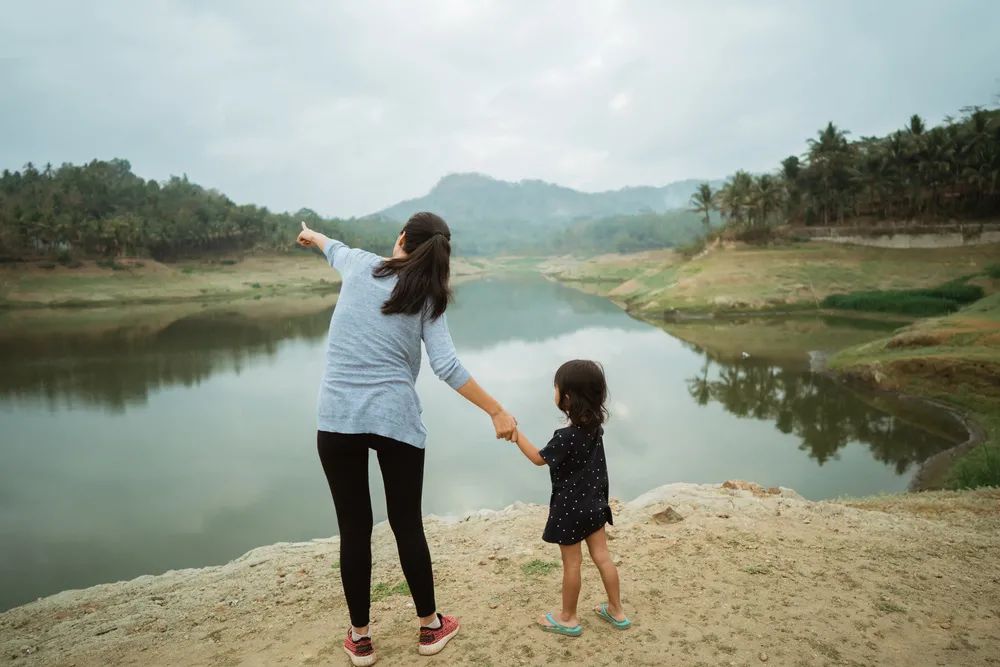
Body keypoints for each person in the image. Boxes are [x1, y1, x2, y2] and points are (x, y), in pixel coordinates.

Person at [297, 212, 518, 665]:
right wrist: (496, 410)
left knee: (354, 531)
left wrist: (310, 235)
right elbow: (448, 367)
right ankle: (430, 627)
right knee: (406, 523)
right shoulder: (428, 298)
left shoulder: (358, 264)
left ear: (400, 239)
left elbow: (330, 245)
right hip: (396, 420)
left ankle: (360, 638)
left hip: (337, 420)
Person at [509, 359, 631, 637]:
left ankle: (568, 618)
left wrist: (517, 436)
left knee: (572, 564)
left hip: (570, 511)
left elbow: (539, 459)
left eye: (555, 387)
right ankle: (617, 610)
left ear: (566, 397)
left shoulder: (566, 437)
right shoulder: (595, 428)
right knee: (603, 557)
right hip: (595, 504)